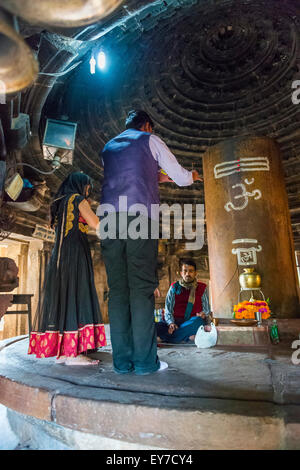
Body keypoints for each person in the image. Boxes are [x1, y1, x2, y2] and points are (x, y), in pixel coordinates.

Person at [98, 109, 202, 375]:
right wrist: (192, 176)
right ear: (146, 126)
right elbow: (179, 176)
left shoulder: (108, 147)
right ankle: (145, 363)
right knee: (142, 289)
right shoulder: (149, 140)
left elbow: (125, 176)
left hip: (109, 220)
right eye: (151, 129)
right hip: (138, 217)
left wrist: (156, 177)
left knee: (119, 291)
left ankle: (122, 363)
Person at [28, 172, 107, 365]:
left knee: (64, 297)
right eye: (87, 186)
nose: (88, 191)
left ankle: (64, 352)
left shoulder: (59, 202)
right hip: (74, 253)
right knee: (75, 295)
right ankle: (72, 354)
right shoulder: (77, 199)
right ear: (81, 185)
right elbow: (96, 224)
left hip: (59, 255)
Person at [156, 258, 211, 344]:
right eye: (185, 271)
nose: (187, 274)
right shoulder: (174, 287)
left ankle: (167, 338)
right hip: (174, 322)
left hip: (190, 322)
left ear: (195, 273)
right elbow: (168, 309)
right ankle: (184, 337)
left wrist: (203, 314)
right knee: (155, 326)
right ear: (181, 273)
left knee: (198, 321)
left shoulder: (202, 287)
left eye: (191, 271)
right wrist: (171, 323)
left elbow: (207, 309)